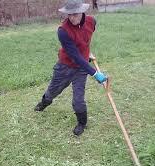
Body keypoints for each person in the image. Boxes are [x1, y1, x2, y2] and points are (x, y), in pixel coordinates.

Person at [34, 0, 107, 136]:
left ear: (82, 12)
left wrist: (87, 51)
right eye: (69, 14)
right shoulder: (63, 31)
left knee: (78, 100)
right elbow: (75, 57)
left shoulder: (92, 21)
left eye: (75, 14)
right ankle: (43, 104)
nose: (72, 17)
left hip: (81, 70)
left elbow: (86, 39)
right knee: (52, 92)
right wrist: (95, 73)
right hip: (65, 67)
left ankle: (82, 123)